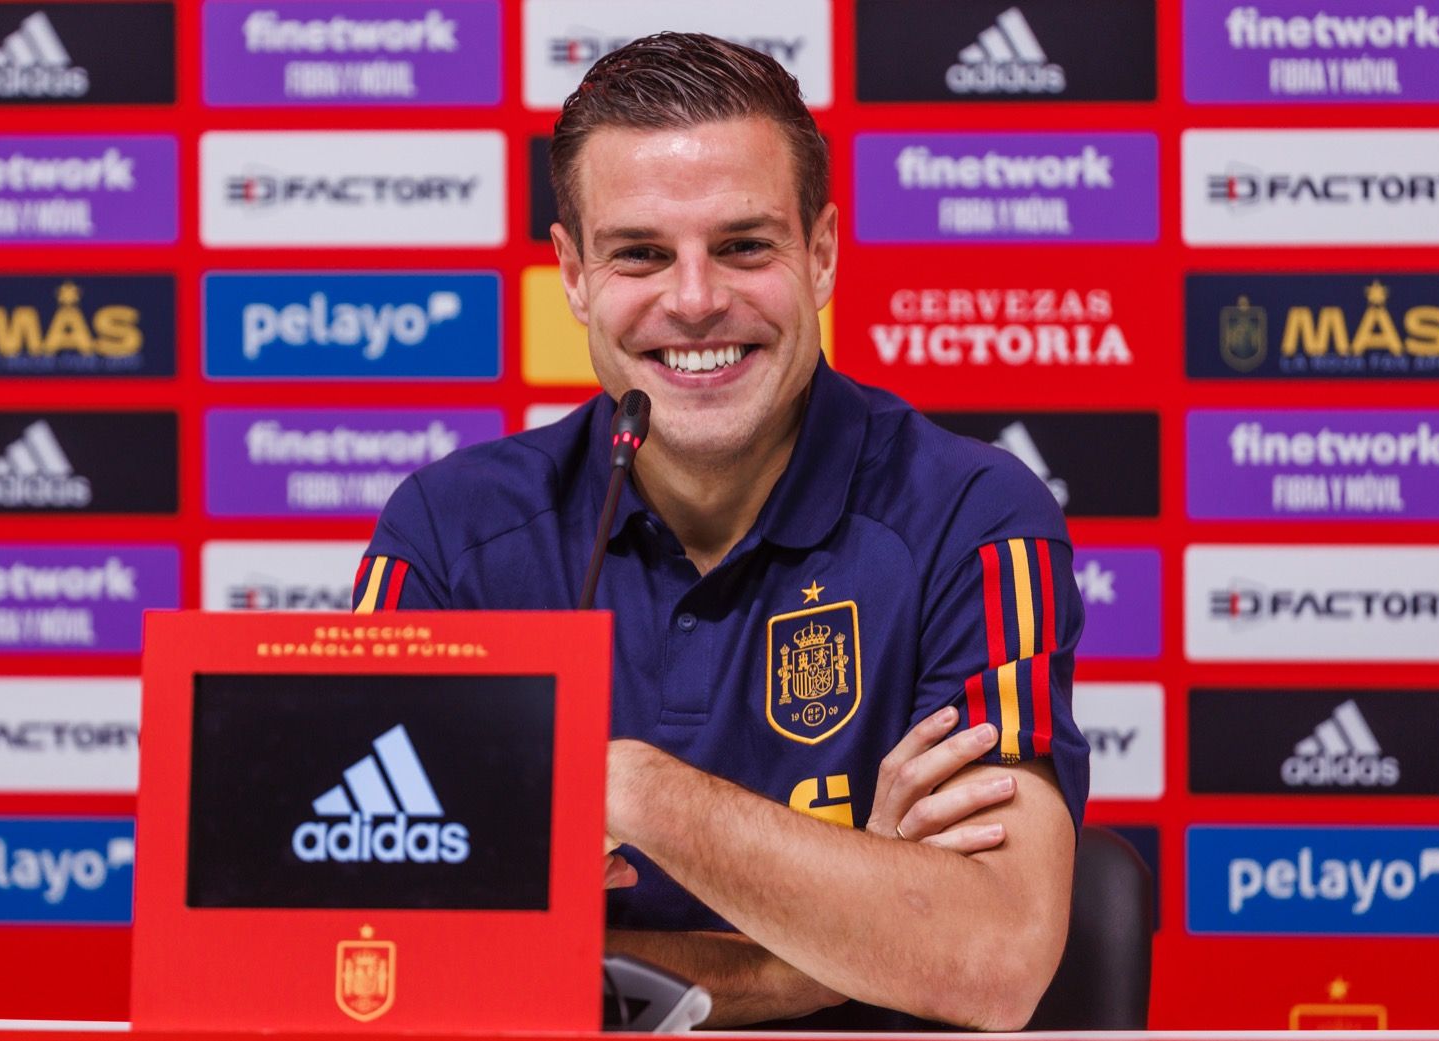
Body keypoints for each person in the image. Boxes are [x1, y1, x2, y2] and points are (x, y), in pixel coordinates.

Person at [353, 32, 1087, 1031]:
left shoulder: (974, 517)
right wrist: (835, 945)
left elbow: (991, 958)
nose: (695, 301)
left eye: (744, 246)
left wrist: (630, 790)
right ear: (572, 274)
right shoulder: (448, 534)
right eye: (640, 253)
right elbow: (366, 944)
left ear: (820, 253)